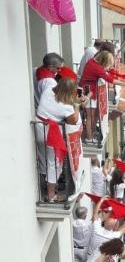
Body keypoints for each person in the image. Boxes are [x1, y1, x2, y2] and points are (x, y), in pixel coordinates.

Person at [36, 69, 86, 201]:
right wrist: (77, 105)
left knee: (43, 159)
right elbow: (73, 120)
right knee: (54, 163)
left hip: (38, 128)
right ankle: (51, 194)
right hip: (50, 134)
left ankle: (46, 183)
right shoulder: (66, 107)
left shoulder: (47, 92)